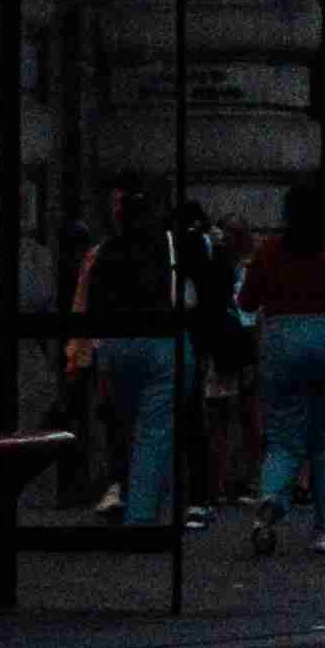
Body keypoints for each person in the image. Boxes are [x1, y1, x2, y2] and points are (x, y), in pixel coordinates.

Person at [237, 176, 325, 557]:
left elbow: (247, 303)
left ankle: (271, 499)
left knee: (283, 436)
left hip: (280, 337)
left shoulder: (268, 252)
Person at [68, 180, 186, 532]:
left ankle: (120, 485)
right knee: (152, 430)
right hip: (156, 339)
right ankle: (141, 513)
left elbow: (90, 302)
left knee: (120, 423)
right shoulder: (164, 248)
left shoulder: (104, 252)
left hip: (115, 345)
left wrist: (83, 351)